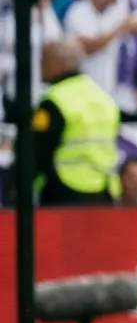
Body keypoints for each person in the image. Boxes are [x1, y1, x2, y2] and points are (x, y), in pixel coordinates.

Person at [33, 39, 121, 205]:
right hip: (103, 191)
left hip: (63, 190)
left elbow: (38, 149)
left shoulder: (54, 101)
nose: (40, 66)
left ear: (62, 63)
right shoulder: (104, 98)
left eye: (45, 59)